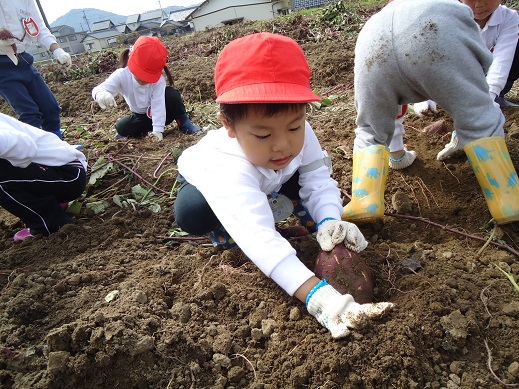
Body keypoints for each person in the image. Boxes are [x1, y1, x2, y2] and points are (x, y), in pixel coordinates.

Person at [174, 32, 393, 339]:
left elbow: (318, 180)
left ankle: (306, 220)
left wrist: (330, 220)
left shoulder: (295, 138)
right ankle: (226, 234)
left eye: (295, 126)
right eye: (263, 135)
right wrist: (321, 299)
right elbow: (260, 240)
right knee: (193, 212)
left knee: (300, 180)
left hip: (274, 180)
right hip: (209, 189)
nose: (282, 145)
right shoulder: (224, 165)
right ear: (229, 126)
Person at [344, 0, 519, 225]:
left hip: (370, 41)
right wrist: (471, 102)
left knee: (370, 126)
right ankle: (507, 199)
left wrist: (397, 155)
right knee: (478, 117)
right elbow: (481, 63)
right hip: (430, 33)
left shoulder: (388, 13)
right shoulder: (452, 10)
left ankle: (364, 200)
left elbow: (390, 110)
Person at [411, 0, 519, 161]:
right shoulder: (445, 14)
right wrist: (426, 94)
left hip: (484, 76)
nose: (479, 5)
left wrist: (487, 100)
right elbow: (431, 57)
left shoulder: (509, 18)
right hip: (450, 75)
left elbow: (501, 63)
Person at [92, 36, 200, 141]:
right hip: (143, 118)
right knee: (121, 126)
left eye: (148, 76)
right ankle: (139, 132)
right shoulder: (121, 75)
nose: (143, 80)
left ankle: (183, 121)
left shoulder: (159, 80)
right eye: (140, 74)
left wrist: (158, 130)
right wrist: (101, 94)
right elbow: (100, 88)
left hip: (164, 113)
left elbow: (158, 105)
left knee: (172, 95)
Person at [0, 112, 87, 241]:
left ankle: (49, 224)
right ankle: (49, 199)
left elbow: (24, 146)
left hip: (68, 175)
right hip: (61, 169)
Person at [0, 0, 72, 139]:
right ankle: (35, 155)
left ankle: (56, 146)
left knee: (50, 108)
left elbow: (38, 27)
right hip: (2, 66)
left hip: (23, 60)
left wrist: (57, 50)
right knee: (29, 113)